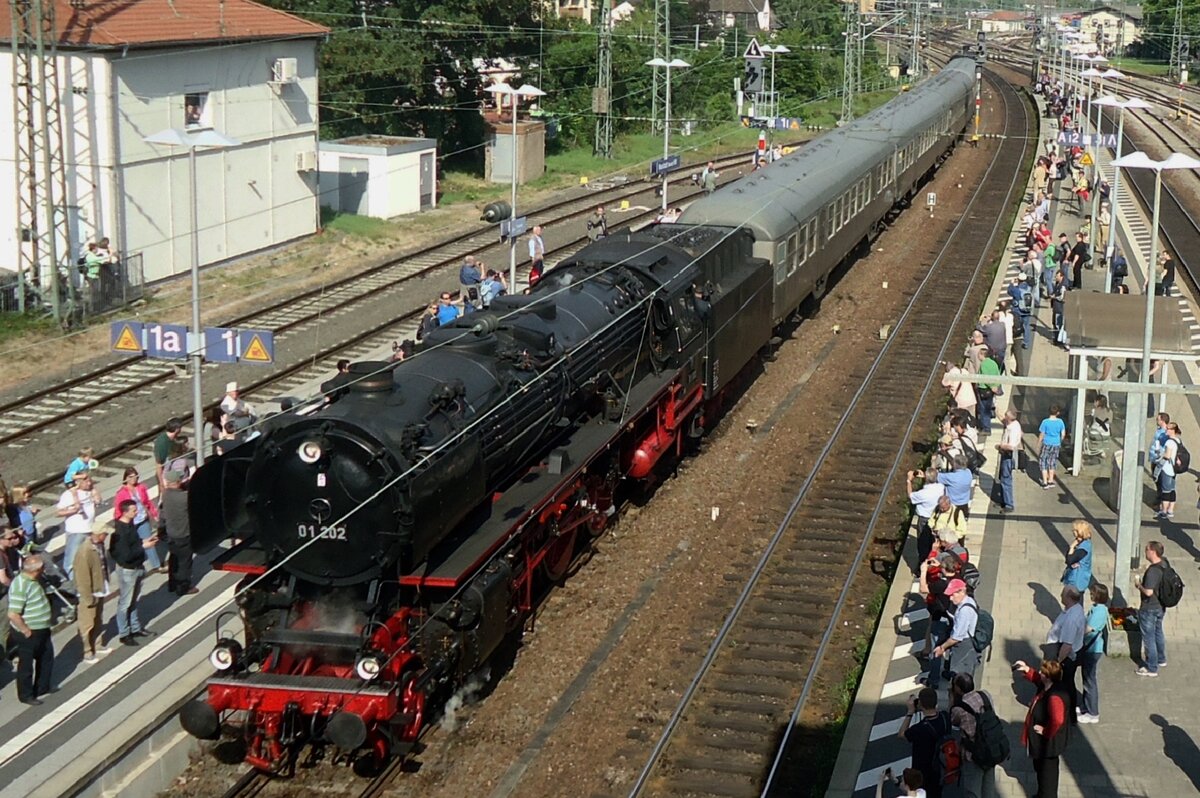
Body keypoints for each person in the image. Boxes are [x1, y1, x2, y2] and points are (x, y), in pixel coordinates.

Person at [1015, 659, 1073, 798]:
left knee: (1048, 777)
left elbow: (1057, 719)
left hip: (1048, 745)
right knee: (1041, 771)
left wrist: (1045, 731)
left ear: (1048, 677)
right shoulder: (1050, 685)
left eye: (1042, 672)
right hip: (1044, 745)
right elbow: (1038, 680)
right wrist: (1027, 669)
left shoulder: (1054, 697)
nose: (1040, 673)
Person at [7, 555, 55, 705]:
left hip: (42, 628)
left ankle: (41, 687)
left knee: (46, 658)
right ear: (37, 570)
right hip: (29, 632)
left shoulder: (33, 580)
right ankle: (26, 695)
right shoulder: (21, 585)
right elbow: (13, 613)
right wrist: (26, 630)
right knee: (26, 666)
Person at [110, 499, 157, 645]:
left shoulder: (130, 526)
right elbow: (125, 554)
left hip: (137, 567)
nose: (136, 512)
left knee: (133, 600)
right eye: (133, 510)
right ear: (125, 512)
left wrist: (144, 541)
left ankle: (135, 628)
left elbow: (133, 545)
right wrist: (144, 547)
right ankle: (124, 633)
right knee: (125, 602)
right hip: (128, 570)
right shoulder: (120, 531)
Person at [949, 672, 999, 798]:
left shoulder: (959, 709)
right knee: (988, 788)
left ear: (958, 689)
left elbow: (953, 720)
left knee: (972, 791)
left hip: (973, 753)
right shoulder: (985, 695)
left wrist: (952, 700)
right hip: (991, 747)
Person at [897, 687, 950, 798]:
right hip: (941, 767)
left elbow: (902, 734)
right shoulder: (945, 717)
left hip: (923, 772)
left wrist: (910, 712)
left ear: (920, 704)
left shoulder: (920, 729)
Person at [928, 578, 980, 691]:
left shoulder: (964, 611)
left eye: (952, 595)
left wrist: (942, 648)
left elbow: (956, 637)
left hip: (964, 646)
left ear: (961, 591)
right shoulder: (968, 601)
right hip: (966, 644)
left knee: (960, 679)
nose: (950, 599)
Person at [72, 525, 111, 663]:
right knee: (87, 623)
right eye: (104, 534)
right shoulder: (85, 551)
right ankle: (87, 651)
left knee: (98, 618)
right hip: (89, 592)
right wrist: (88, 598)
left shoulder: (99, 546)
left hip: (100, 588)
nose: (106, 536)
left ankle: (98, 644)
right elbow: (82, 578)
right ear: (97, 534)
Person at [113, 467, 163, 571]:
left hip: (142, 519)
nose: (133, 479)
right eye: (130, 477)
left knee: (149, 542)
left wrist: (154, 514)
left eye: (135, 476)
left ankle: (156, 565)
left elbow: (147, 502)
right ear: (125, 478)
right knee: (135, 543)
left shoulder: (141, 487)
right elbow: (118, 509)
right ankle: (137, 563)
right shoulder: (121, 493)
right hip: (130, 522)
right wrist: (119, 522)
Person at [1046, 585, 1085, 711]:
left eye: (1063, 594)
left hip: (1064, 655)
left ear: (1069, 597)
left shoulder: (1071, 619)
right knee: (1067, 683)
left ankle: (1066, 710)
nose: (1060, 596)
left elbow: (1067, 645)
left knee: (1063, 683)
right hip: (1068, 652)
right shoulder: (1076, 609)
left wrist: (1057, 662)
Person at [56, 469, 99, 581]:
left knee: (89, 557)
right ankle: (74, 584)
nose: (89, 483)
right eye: (86, 481)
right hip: (76, 532)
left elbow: (98, 501)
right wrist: (74, 511)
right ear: (78, 482)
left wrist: (94, 490)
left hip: (89, 530)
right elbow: (58, 512)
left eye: (89, 481)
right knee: (71, 561)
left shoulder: (90, 491)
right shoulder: (68, 495)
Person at [1135, 540, 1169, 676]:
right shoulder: (1164, 563)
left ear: (1152, 552)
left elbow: (1148, 592)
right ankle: (1161, 659)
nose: (1145, 552)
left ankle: (1151, 667)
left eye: (1147, 549)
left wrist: (1139, 585)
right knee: (1158, 632)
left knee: (1149, 638)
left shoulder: (1153, 571)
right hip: (1161, 606)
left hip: (1149, 608)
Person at [161, 470, 198, 596]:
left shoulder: (165, 495)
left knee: (174, 559)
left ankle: (172, 583)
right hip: (183, 533)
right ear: (177, 482)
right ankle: (183, 587)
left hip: (171, 533)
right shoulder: (183, 497)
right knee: (185, 562)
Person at [1079, 582, 1110, 723]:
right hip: (1090, 648)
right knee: (1086, 678)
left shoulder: (1099, 611)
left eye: (1092, 593)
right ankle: (1086, 706)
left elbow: (1088, 628)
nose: (1090, 595)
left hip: (1092, 650)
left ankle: (1093, 713)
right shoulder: (1097, 608)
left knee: (1090, 681)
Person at [908, 468, 944, 565]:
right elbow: (935, 481)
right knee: (934, 540)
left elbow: (911, 496)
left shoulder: (923, 494)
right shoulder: (940, 487)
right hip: (936, 517)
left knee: (923, 543)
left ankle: (923, 563)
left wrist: (909, 481)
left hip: (924, 519)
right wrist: (926, 477)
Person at [995, 410, 1022, 513]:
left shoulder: (1013, 429)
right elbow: (1002, 419)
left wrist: (1000, 446)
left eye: (1006, 415)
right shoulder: (1013, 424)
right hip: (1006, 455)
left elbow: (1011, 446)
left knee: (1006, 480)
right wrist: (996, 409)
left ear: (1009, 418)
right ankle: (1003, 500)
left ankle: (1008, 504)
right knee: (1003, 478)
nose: (1004, 417)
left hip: (1008, 456)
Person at [1153, 422, 1180, 519]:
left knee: (1165, 490)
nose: (1166, 430)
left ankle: (1164, 511)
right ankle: (1170, 510)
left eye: (1168, 429)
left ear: (1173, 430)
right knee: (1172, 489)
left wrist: (1160, 453)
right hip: (1174, 469)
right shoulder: (1178, 440)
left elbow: (1167, 455)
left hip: (1167, 468)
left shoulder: (1169, 442)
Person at [1037, 405, 1067, 489]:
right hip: (1056, 444)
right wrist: (1059, 441)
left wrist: (1038, 443)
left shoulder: (1045, 422)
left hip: (1047, 443)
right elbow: (1063, 434)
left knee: (1043, 460)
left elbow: (1042, 434)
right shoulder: (1060, 422)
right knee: (1052, 461)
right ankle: (1050, 480)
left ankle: (1045, 482)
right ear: (1058, 413)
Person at [1061, 519, 1093, 592]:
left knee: (1075, 602)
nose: (1073, 532)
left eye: (1074, 530)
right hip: (1078, 580)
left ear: (1080, 531)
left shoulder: (1083, 547)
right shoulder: (1084, 542)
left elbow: (1069, 560)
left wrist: (1072, 547)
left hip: (1077, 582)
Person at [154, 417, 184, 493]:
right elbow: (158, 465)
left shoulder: (174, 438)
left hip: (172, 471)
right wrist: (161, 484)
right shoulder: (162, 443)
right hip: (164, 473)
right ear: (177, 429)